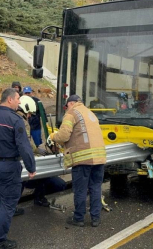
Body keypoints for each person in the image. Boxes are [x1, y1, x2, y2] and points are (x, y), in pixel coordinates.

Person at [0, 88, 36, 249]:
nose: (19, 102)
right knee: (8, 203)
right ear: (9, 100)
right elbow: (24, 146)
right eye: (17, 99)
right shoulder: (15, 120)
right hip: (8, 166)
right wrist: (31, 167)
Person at [48, 95, 106, 227]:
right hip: (99, 158)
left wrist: (53, 136)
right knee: (95, 187)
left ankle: (79, 218)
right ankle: (95, 218)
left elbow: (63, 135)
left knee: (80, 189)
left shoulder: (72, 113)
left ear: (71, 103)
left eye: (66, 105)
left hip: (83, 159)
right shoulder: (90, 113)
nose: (66, 108)